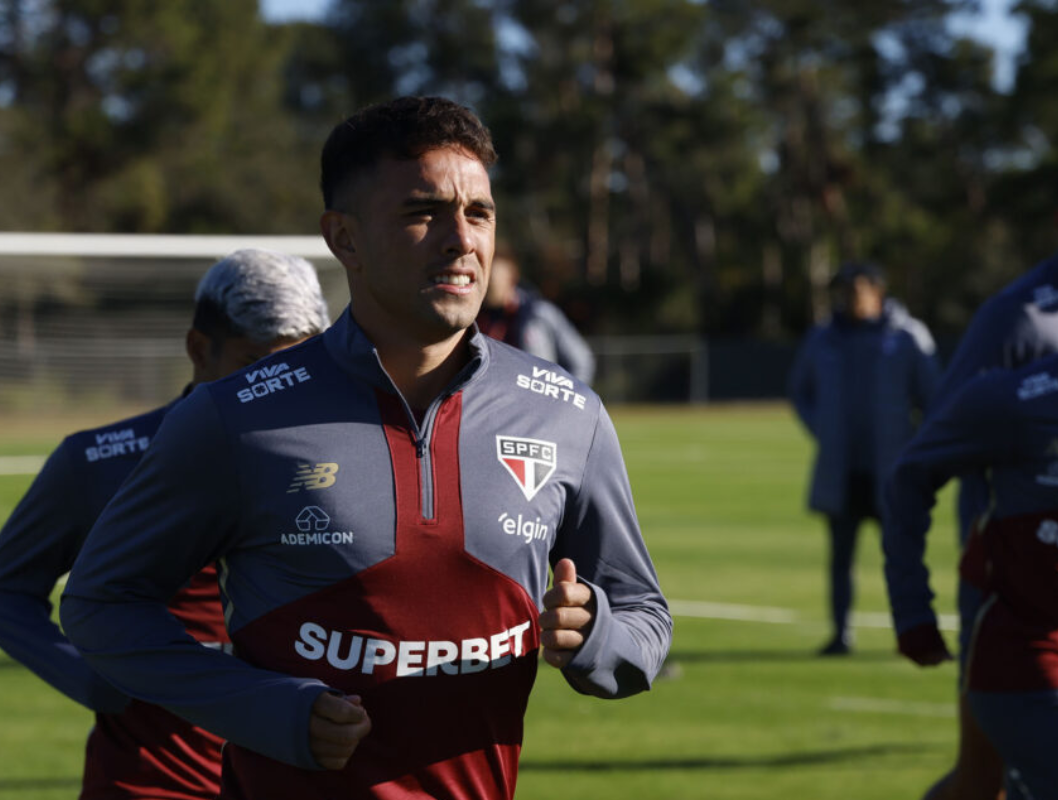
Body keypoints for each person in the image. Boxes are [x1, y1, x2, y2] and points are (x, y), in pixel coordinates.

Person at [59, 95, 672, 800]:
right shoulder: (231, 418)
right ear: (343, 238)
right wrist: (267, 710)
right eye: (422, 212)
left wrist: (595, 637)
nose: (460, 239)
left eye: (479, 213)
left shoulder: (567, 414)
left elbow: (644, 619)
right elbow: (101, 605)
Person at [0, 249, 331, 800]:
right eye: (252, 363)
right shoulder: (99, 461)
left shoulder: (353, 456)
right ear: (197, 350)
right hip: (153, 782)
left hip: (304, 774)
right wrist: (91, 676)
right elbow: (1, 592)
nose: (270, 388)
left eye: (292, 368)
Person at [882, 251, 1058, 800]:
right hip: (1011, 602)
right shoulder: (1018, 324)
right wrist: (913, 606)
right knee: (984, 779)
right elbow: (921, 462)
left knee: (979, 781)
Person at [788, 261, 941, 655]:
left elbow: (934, 399)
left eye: (856, 289)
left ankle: (909, 633)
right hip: (841, 469)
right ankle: (840, 634)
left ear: (877, 291)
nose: (849, 298)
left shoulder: (907, 337)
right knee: (841, 559)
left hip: (891, 470)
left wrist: (914, 446)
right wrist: (822, 428)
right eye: (843, 291)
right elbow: (800, 391)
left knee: (901, 557)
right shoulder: (823, 338)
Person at [476, 249, 596, 384]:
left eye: (491, 280)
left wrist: (564, 400)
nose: (485, 287)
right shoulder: (475, 318)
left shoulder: (539, 314)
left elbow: (581, 362)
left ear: (511, 279)